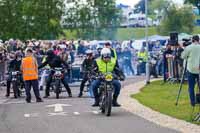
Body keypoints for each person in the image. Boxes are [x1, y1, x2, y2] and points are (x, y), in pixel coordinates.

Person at [181, 35, 200, 106]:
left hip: (191, 69)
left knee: (191, 87)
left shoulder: (189, 47)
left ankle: (193, 102)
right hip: (199, 69)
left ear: (192, 40)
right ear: (198, 40)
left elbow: (183, 56)